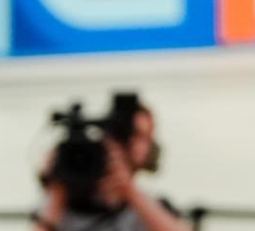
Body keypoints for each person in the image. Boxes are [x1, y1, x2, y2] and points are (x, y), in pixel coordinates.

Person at [35, 93, 190, 231]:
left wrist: (130, 192)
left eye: (143, 136)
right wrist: (56, 192)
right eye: (129, 134)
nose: (133, 144)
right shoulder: (63, 208)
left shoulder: (154, 208)